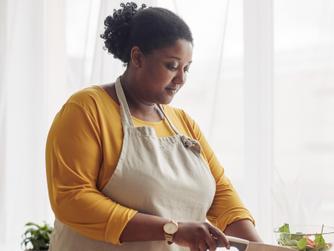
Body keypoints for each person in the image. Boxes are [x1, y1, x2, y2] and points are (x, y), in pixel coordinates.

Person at [45, 2, 261, 250]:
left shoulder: (183, 123)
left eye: (186, 68)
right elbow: (72, 199)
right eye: (171, 66)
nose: (181, 79)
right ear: (137, 57)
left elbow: (222, 196)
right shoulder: (87, 109)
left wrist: (261, 248)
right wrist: (172, 230)